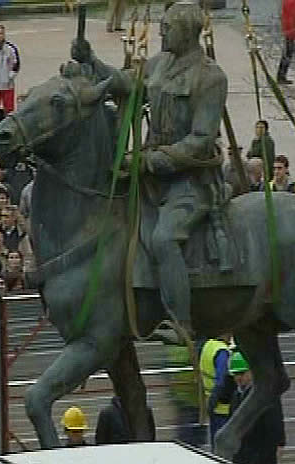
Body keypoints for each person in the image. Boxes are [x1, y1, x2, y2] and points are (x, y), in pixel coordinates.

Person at [75, 1, 230, 330]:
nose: (161, 31)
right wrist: (91, 60)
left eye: (168, 27)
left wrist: (151, 161)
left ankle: (180, 322)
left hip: (190, 180)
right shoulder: (160, 63)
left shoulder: (211, 77)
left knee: (163, 238)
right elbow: (125, 82)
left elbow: (201, 139)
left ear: (187, 33)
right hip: (149, 170)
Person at [229, 352, 286, 464]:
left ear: (251, 371)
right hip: (242, 454)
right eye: (235, 374)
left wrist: (279, 443)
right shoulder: (236, 395)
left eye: (242, 373)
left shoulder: (266, 394)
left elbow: (275, 421)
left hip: (262, 453)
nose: (238, 378)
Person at [200, 334, 234, 452]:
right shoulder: (222, 352)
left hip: (212, 405)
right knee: (225, 448)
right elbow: (222, 381)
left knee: (216, 444)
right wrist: (214, 401)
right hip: (224, 408)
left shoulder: (208, 345)